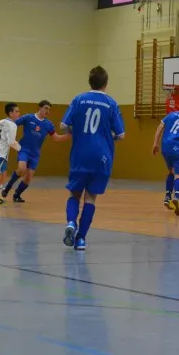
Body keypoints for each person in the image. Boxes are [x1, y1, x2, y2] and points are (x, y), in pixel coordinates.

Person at [61, 66, 125, 251]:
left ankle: (71, 222)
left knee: (74, 193)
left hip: (80, 154)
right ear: (106, 84)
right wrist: (108, 136)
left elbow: (63, 125)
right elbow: (121, 135)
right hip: (102, 156)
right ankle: (81, 239)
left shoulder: (78, 99)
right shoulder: (111, 103)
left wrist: (76, 131)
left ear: (90, 82)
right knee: (90, 198)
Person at [2, 100, 70, 202]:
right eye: (46, 108)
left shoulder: (48, 124)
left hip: (35, 153)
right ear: (40, 108)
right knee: (21, 168)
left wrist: (69, 135)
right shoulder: (28, 117)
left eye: (49, 109)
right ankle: (7, 187)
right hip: (24, 149)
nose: (47, 111)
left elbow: (56, 138)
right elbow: (13, 123)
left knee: (28, 177)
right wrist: (3, 129)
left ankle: (17, 195)